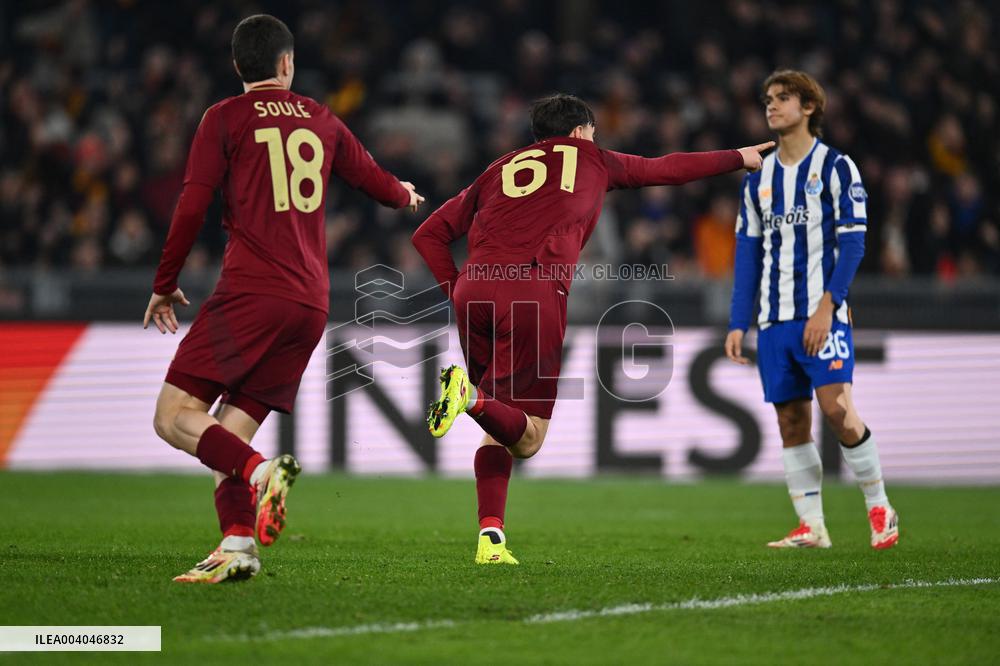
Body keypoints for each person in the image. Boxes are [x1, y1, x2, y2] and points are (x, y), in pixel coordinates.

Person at [412, 93, 771, 564]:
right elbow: (667, 168)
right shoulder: (594, 158)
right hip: (533, 292)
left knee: (500, 423)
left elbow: (428, 234)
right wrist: (737, 158)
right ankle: (469, 398)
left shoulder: (498, 167)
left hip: (474, 291)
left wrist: (459, 291)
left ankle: (491, 538)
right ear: (581, 131)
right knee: (530, 436)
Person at [143, 14, 423, 583]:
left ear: (237, 66)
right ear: (287, 63)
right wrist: (404, 195)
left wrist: (164, 280)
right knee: (225, 436)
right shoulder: (321, 118)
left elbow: (192, 203)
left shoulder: (223, 117)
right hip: (311, 305)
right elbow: (373, 180)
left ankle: (262, 472)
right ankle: (238, 546)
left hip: (252, 290)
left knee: (173, 419)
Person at [724, 70, 898, 550]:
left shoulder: (838, 168)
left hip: (821, 314)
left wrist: (828, 307)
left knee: (837, 409)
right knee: (790, 421)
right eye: (768, 99)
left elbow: (854, 244)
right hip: (774, 320)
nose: (771, 106)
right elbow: (747, 256)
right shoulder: (758, 179)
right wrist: (739, 322)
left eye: (782, 99)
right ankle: (811, 525)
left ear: (808, 108)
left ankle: (880, 505)